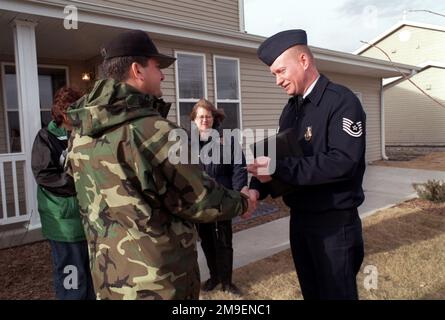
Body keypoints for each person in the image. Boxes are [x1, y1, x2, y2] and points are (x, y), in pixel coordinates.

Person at [65, 30, 255, 300]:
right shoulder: (156, 131)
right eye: (157, 67)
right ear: (137, 70)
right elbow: (200, 199)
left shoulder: (80, 132)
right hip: (159, 284)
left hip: (110, 281)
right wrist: (244, 201)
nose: (163, 75)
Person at [247, 29, 366, 300]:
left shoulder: (342, 102)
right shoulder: (291, 109)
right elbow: (281, 156)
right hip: (300, 221)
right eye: (274, 74)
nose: (277, 80)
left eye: (280, 71)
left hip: (334, 225)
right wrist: (256, 188)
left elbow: (343, 161)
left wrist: (278, 168)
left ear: (303, 60)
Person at [31, 87, 95, 300]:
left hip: (87, 219)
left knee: (90, 273)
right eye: (78, 111)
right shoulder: (46, 137)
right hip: (64, 222)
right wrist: (79, 182)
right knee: (72, 275)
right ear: (65, 113)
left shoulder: (84, 134)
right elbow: (45, 176)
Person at [190, 98, 247, 295]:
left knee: (224, 240)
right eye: (201, 117)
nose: (205, 120)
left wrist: (238, 193)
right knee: (206, 240)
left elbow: (239, 166)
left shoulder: (227, 140)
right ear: (194, 120)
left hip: (224, 197)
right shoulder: (188, 142)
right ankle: (214, 277)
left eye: (208, 116)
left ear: (214, 119)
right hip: (201, 201)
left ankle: (227, 281)